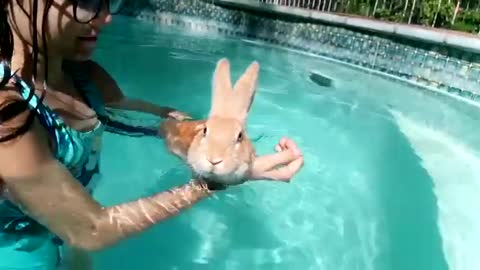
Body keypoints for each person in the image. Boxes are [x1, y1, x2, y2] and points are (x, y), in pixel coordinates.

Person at [0, 0, 304, 269]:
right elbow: (91, 229)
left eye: (110, 0)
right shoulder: (7, 113)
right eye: (87, 0)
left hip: (67, 253)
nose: (106, 17)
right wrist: (210, 185)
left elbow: (159, 123)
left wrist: (231, 147)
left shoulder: (86, 78)